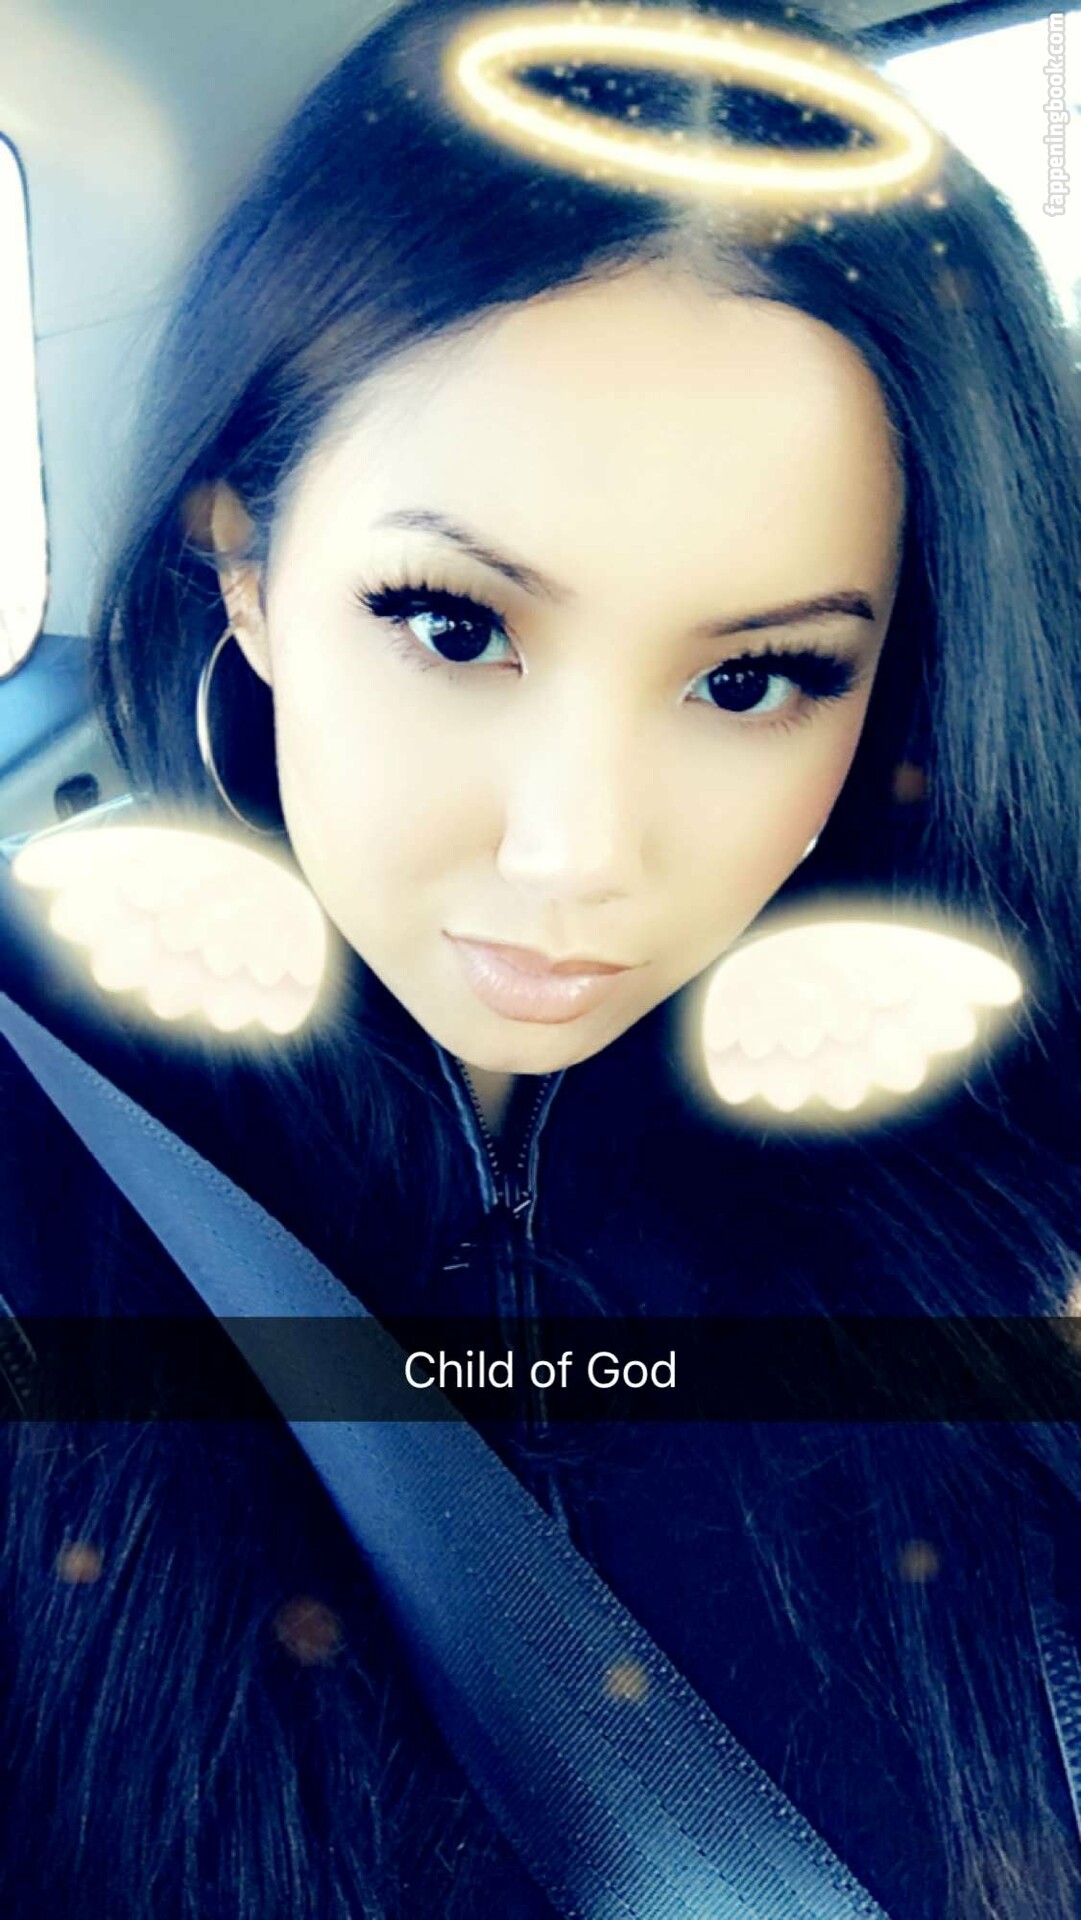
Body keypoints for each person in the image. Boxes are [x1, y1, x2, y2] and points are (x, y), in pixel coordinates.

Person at [1, 0, 1080, 1912]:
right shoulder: (47, 1136)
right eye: (451, 625)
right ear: (246, 565)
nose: (574, 854)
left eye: (754, 679)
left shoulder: (1016, 1172)